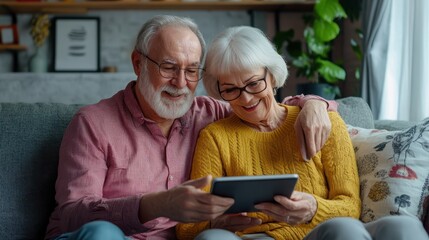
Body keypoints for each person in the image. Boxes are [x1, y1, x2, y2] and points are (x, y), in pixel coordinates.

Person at [45, 15, 337, 240]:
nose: (181, 82)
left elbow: (261, 105)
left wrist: (314, 104)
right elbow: (73, 214)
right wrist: (155, 206)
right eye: (169, 67)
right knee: (102, 233)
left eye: (192, 70)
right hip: (109, 236)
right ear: (138, 63)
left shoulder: (212, 114)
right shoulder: (92, 123)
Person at [175, 26, 429, 240]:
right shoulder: (216, 137)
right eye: (231, 90)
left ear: (272, 76)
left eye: (253, 84)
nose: (246, 98)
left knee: (400, 226)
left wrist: (313, 209)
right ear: (219, 91)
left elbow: (350, 205)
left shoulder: (322, 121)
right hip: (256, 237)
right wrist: (215, 224)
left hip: (321, 231)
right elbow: (187, 228)